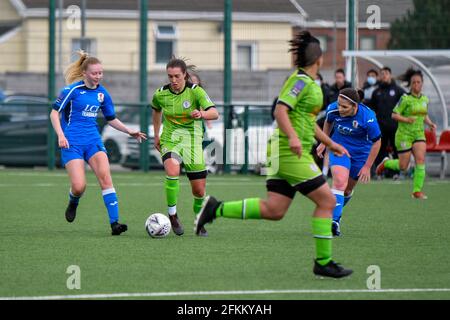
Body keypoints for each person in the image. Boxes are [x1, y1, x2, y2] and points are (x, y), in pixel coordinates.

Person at [195, 31, 353, 278]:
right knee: (327, 201)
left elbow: (307, 121)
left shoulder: (311, 83)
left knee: (275, 210)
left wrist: (329, 143)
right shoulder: (299, 81)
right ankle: (323, 262)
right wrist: (292, 137)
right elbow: (281, 110)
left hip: (285, 151)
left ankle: (216, 209)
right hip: (289, 152)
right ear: (319, 59)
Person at [49, 50, 147, 235]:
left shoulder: (102, 94)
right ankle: (73, 200)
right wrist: (61, 135)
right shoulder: (71, 91)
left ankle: (115, 224)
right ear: (85, 73)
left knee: (106, 179)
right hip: (72, 144)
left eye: (100, 73)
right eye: (94, 73)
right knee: (79, 187)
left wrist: (129, 130)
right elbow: (54, 113)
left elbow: (111, 118)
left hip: (93, 141)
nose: (98, 76)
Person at [151, 57, 219, 237]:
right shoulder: (160, 94)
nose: (173, 80)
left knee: (199, 190)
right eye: (170, 76)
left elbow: (215, 113)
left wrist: (201, 113)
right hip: (171, 140)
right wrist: (157, 135)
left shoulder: (196, 92)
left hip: (192, 142)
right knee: (172, 170)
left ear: (185, 75)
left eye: (177, 76)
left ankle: (199, 220)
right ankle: (172, 215)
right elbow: (156, 110)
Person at [317, 88, 381, 236]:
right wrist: (324, 142)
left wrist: (367, 167)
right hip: (339, 148)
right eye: (339, 104)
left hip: (361, 154)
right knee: (339, 182)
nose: (340, 109)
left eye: (344, 107)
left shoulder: (368, 118)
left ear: (355, 106)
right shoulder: (333, 109)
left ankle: (335, 210)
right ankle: (334, 221)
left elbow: (377, 142)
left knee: (346, 190)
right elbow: (328, 122)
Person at [376, 68, 437, 199]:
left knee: (420, 160)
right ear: (410, 84)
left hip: (419, 134)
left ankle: (416, 191)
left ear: (422, 83)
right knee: (403, 166)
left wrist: (430, 123)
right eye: (414, 82)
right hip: (404, 135)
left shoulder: (425, 99)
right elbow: (394, 114)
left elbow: (423, 114)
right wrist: (406, 119)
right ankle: (386, 163)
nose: (416, 85)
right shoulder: (405, 98)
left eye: (418, 82)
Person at [369, 67, 406, 173]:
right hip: (380, 126)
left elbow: (406, 103)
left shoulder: (398, 90)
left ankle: (396, 173)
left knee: (395, 149)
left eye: (386, 73)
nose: (384, 75)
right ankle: (381, 172)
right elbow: (372, 108)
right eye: (382, 74)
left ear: (390, 75)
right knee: (380, 148)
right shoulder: (376, 92)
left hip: (395, 126)